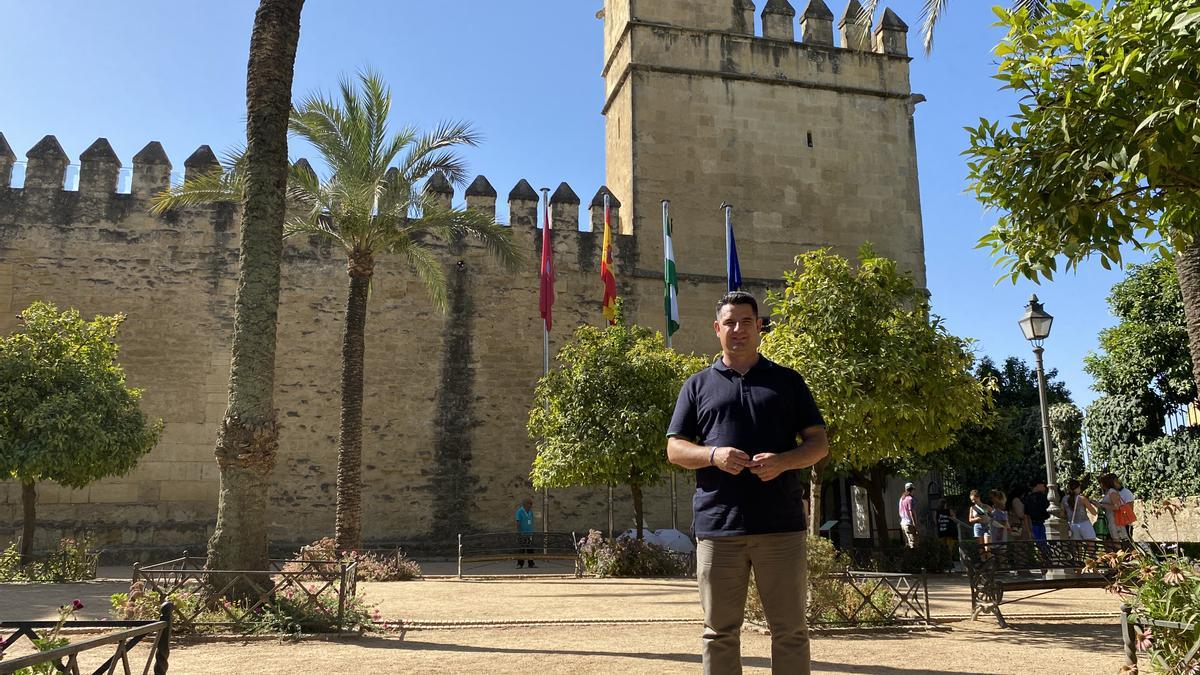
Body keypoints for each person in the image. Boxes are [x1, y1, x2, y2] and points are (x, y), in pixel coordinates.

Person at [667, 291, 829, 675]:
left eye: (746, 322)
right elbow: (674, 449)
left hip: (781, 528)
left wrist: (784, 462)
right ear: (716, 329)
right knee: (718, 633)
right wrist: (712, 455)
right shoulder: (697, 385)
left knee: (790, 631)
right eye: (730, 323)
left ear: (759, 327)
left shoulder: (788, 382)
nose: (738, 330)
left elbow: (818, 443)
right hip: (718, 528)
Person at [1097, 474, 1130, 541]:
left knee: (1117, 541)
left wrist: (1101, 505)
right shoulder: (1108, 492)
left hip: (1115, 521)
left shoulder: (1112, 492)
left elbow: (1116, 507)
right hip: (1111, 520)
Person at [515, 498, 536, 568]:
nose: (531, 505)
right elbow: (518, 522)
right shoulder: (520, 511)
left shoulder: (530, 512)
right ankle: (520, 564)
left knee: (530, 549)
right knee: (522, 549)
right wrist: (519, 533)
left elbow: (531, 522)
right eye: (530, 503)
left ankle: (531, 563)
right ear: (525, 504)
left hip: (529, 533)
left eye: (531, 504)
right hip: (522, 533)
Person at [899, 482, 918, 548]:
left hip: (903, 524)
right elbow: (911, 512)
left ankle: (907, 558)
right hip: (909, 524)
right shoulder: (910, 499)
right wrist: (915, 524)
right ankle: (913, 558)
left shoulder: (901, 499)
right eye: (913, 490)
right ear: (912, 490)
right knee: (913, 544)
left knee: (907, 544)